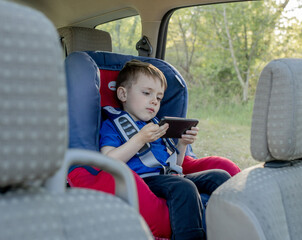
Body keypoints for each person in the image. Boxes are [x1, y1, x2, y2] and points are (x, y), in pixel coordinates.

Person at [99, 59, 231, 240]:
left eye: (159, 98)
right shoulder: (114, 125)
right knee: (184, 187)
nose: (154, 101)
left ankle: (231, 229)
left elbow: (175, 165)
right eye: (146, 93)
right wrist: (140, 139)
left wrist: (182, 145)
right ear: (123, 94)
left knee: (220, 175)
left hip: (169, 176)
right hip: (144, 181)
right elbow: (107, 161)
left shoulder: (157, 125)